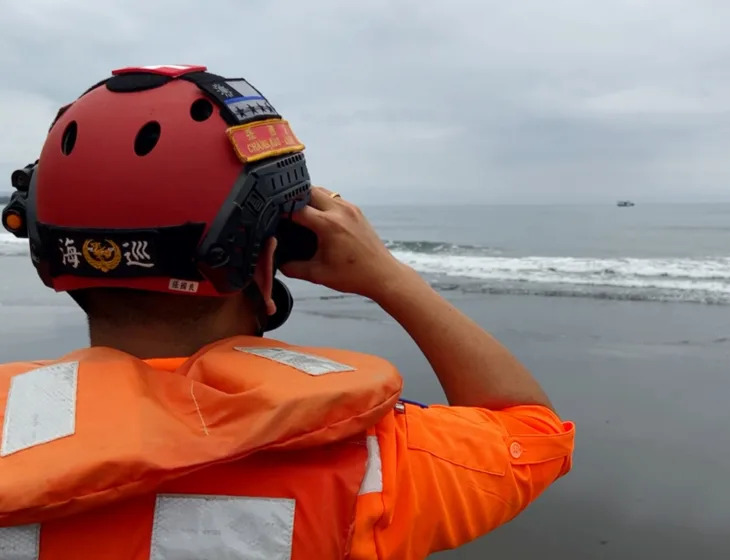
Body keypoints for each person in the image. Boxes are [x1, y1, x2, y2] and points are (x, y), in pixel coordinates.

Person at [0, 65, 575, 559]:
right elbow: (532, 430)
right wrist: (388, 277)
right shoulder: (380, 463)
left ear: (48, 250)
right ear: (268, 256)